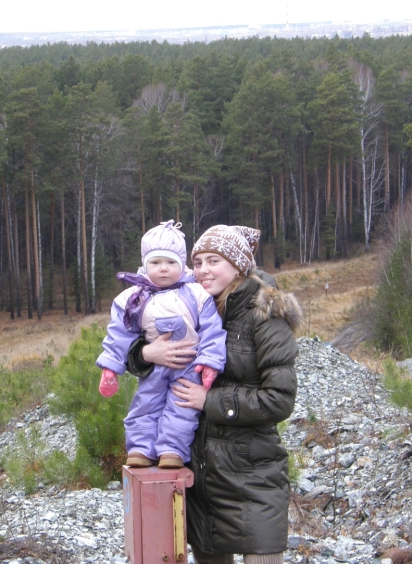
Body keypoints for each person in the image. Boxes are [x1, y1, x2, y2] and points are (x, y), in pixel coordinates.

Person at [126, 224, 302, 564]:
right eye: (198, 262)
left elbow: (279, 399)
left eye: (214, 261)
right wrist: (146, 354)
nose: (203, 270)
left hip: (252, 477)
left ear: (238, 265)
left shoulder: (265, 316)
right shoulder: (190, 303)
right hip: (202, 477)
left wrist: (209, 401)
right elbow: (130, 342)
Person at [96, 220, 227, 469]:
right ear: (144, 265)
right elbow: (119, 334)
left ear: (182, 264)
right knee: (145, 403)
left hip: (189, 366)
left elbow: (212, 331)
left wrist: (210, 363)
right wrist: (110, 367)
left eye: (170, 262)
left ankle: (172, 450)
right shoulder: (133, 297)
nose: (163, 269)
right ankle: (140, 449)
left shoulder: (197, 293)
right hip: (154, 367)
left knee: (182, 407)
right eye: (155, 263)